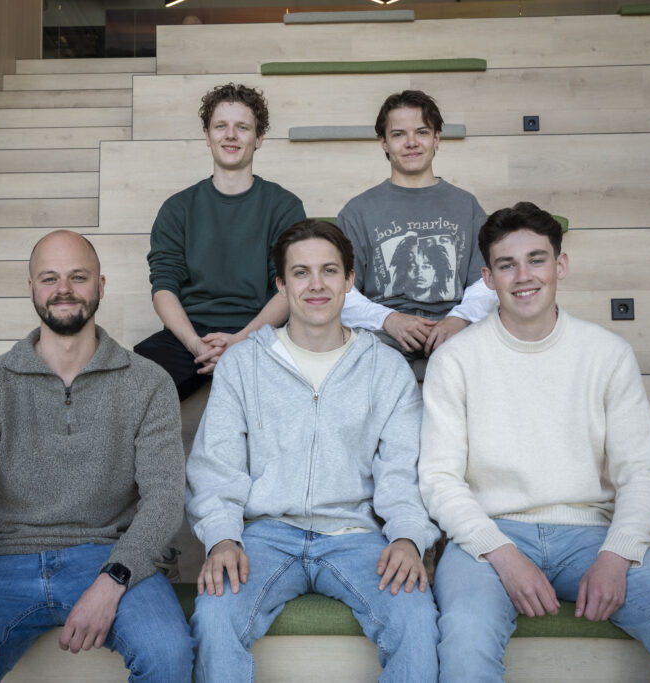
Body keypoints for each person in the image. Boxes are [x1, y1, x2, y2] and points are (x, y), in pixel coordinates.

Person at [418, 203, 650, 682]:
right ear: (488, 278)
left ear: (560, 265)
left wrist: (617, 554)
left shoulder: (608, 354)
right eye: (507, 265)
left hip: (591, 536)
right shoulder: (455, 360)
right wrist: (502, 554)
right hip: (486, 536)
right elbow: (439, 478)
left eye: (537, 260)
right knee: (465, 636)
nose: (523, 277)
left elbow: (641, 473)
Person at [0, 230, 192, 683]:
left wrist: (114, 578)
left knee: (168, 655)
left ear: (101, 286)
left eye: (78, 277)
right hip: (5, 562)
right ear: (31, 288)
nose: (63, 289)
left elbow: (165, 499)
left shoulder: (148, 383)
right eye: (49, 278)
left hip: (108, 555)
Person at [186, 219, 441, 682]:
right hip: (263, 536)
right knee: (214, 614)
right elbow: (216, 466)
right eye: (301, 273)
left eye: (329, 270)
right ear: (282, 286)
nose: (316, 284)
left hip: (357, 537)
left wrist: (407, 537)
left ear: (349, 280)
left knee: (416, 616)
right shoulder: (243, 363)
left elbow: (403, 472)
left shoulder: (385, 368)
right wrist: (222, 537)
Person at [134, 83, 306, 400]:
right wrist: (195, 344)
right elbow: (163, 287)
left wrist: (241, 341)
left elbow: (289, 287)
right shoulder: (177, 208)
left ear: (259, 138)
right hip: (189, 335)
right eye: (220, 126)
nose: (230, 135)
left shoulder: (284, 207)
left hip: (263, 332)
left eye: (242, 127)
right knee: (134, 379)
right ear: (207, 135)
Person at [338, 90, 498, 376]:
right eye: (398, 134)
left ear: (436, 138)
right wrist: (388, 319)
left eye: (422, 132)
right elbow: (341, 290)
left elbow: (487, 282)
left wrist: (459, 319)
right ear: (384, 143)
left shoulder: (466, 205)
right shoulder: (358, 211)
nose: (411, 142)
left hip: (454, 326)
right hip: (382, 332)